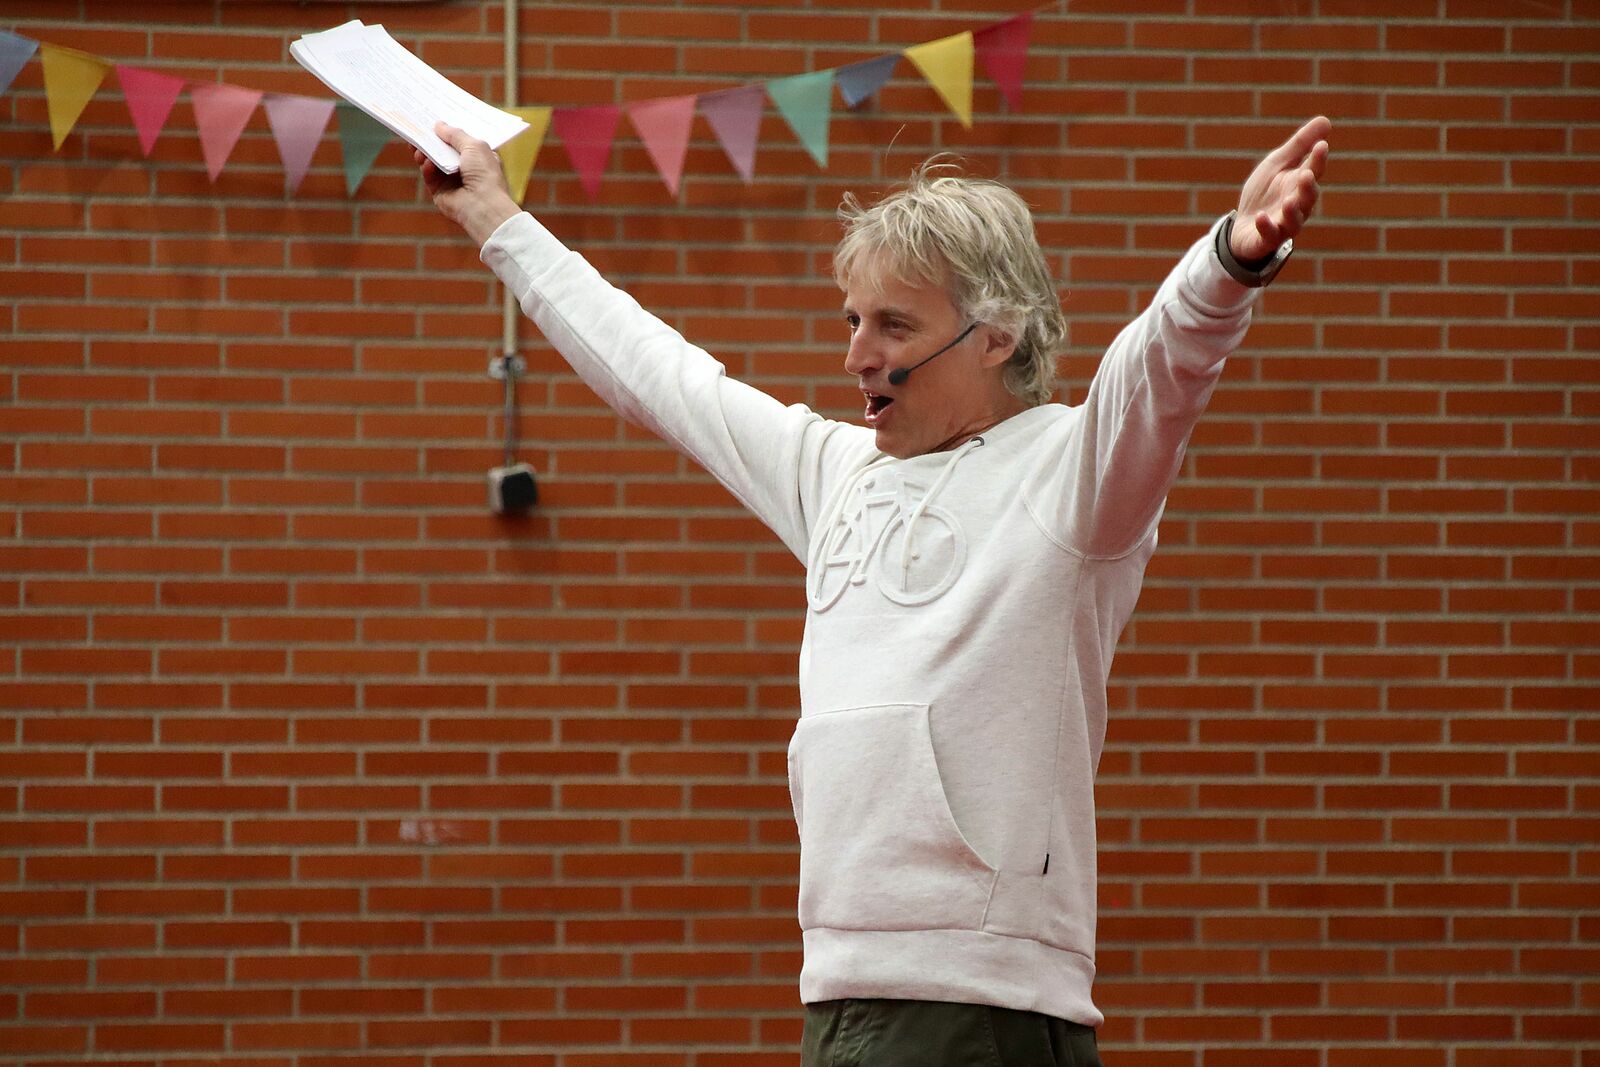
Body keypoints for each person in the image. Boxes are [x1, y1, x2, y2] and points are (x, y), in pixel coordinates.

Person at [417, 114, 1331, 1066]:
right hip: (837, 990)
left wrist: (1226, 264)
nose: (857, 354)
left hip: (983, 1005)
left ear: (996, 333)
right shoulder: (833, 470)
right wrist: (494, 217)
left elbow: (1164, 368)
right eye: (852, 319)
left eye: (894, 324)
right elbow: (659, 373)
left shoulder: (1073, 473)